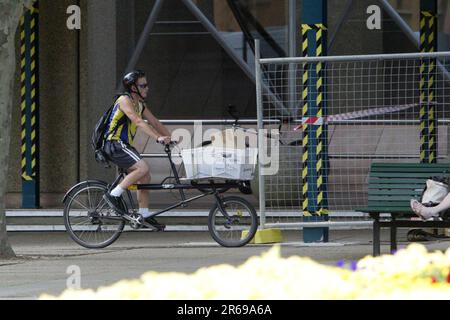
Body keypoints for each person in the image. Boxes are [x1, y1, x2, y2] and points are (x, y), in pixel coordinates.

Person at [102, 70, 172, 229]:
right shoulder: (124, 100)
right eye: (143, 85)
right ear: (133, 88)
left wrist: (170, 138)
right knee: (142, 168)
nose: (147, 88)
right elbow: (138, 121)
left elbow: (154, 121)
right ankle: (113, 195)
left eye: (147, 85)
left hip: (124, 145)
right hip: (114, 143)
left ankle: (144, 214)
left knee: (145, 176)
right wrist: (158, 138)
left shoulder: (139, 104)